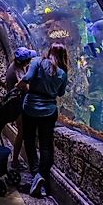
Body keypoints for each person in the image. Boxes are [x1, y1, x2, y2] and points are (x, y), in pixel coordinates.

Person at [18, 43, 69, 197]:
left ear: (49, 51)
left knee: (29, 140)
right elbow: (60, 93)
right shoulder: (62, 73)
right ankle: (42, 176)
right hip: (49, 111)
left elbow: (27, 78)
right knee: (46, 145)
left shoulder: (38, 61)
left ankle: (35, 175)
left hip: (31, 108)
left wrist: (18, 85)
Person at [5, 47, 36, 169]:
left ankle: (15, 159)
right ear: (23, 62)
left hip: (17, 104)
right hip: (17, 106)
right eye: (28, 60)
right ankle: (15, 160)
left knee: (22, 132)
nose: (30, 61)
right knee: (21, 132)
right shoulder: (16, 71)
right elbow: (24, 86)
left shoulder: (15, 65)